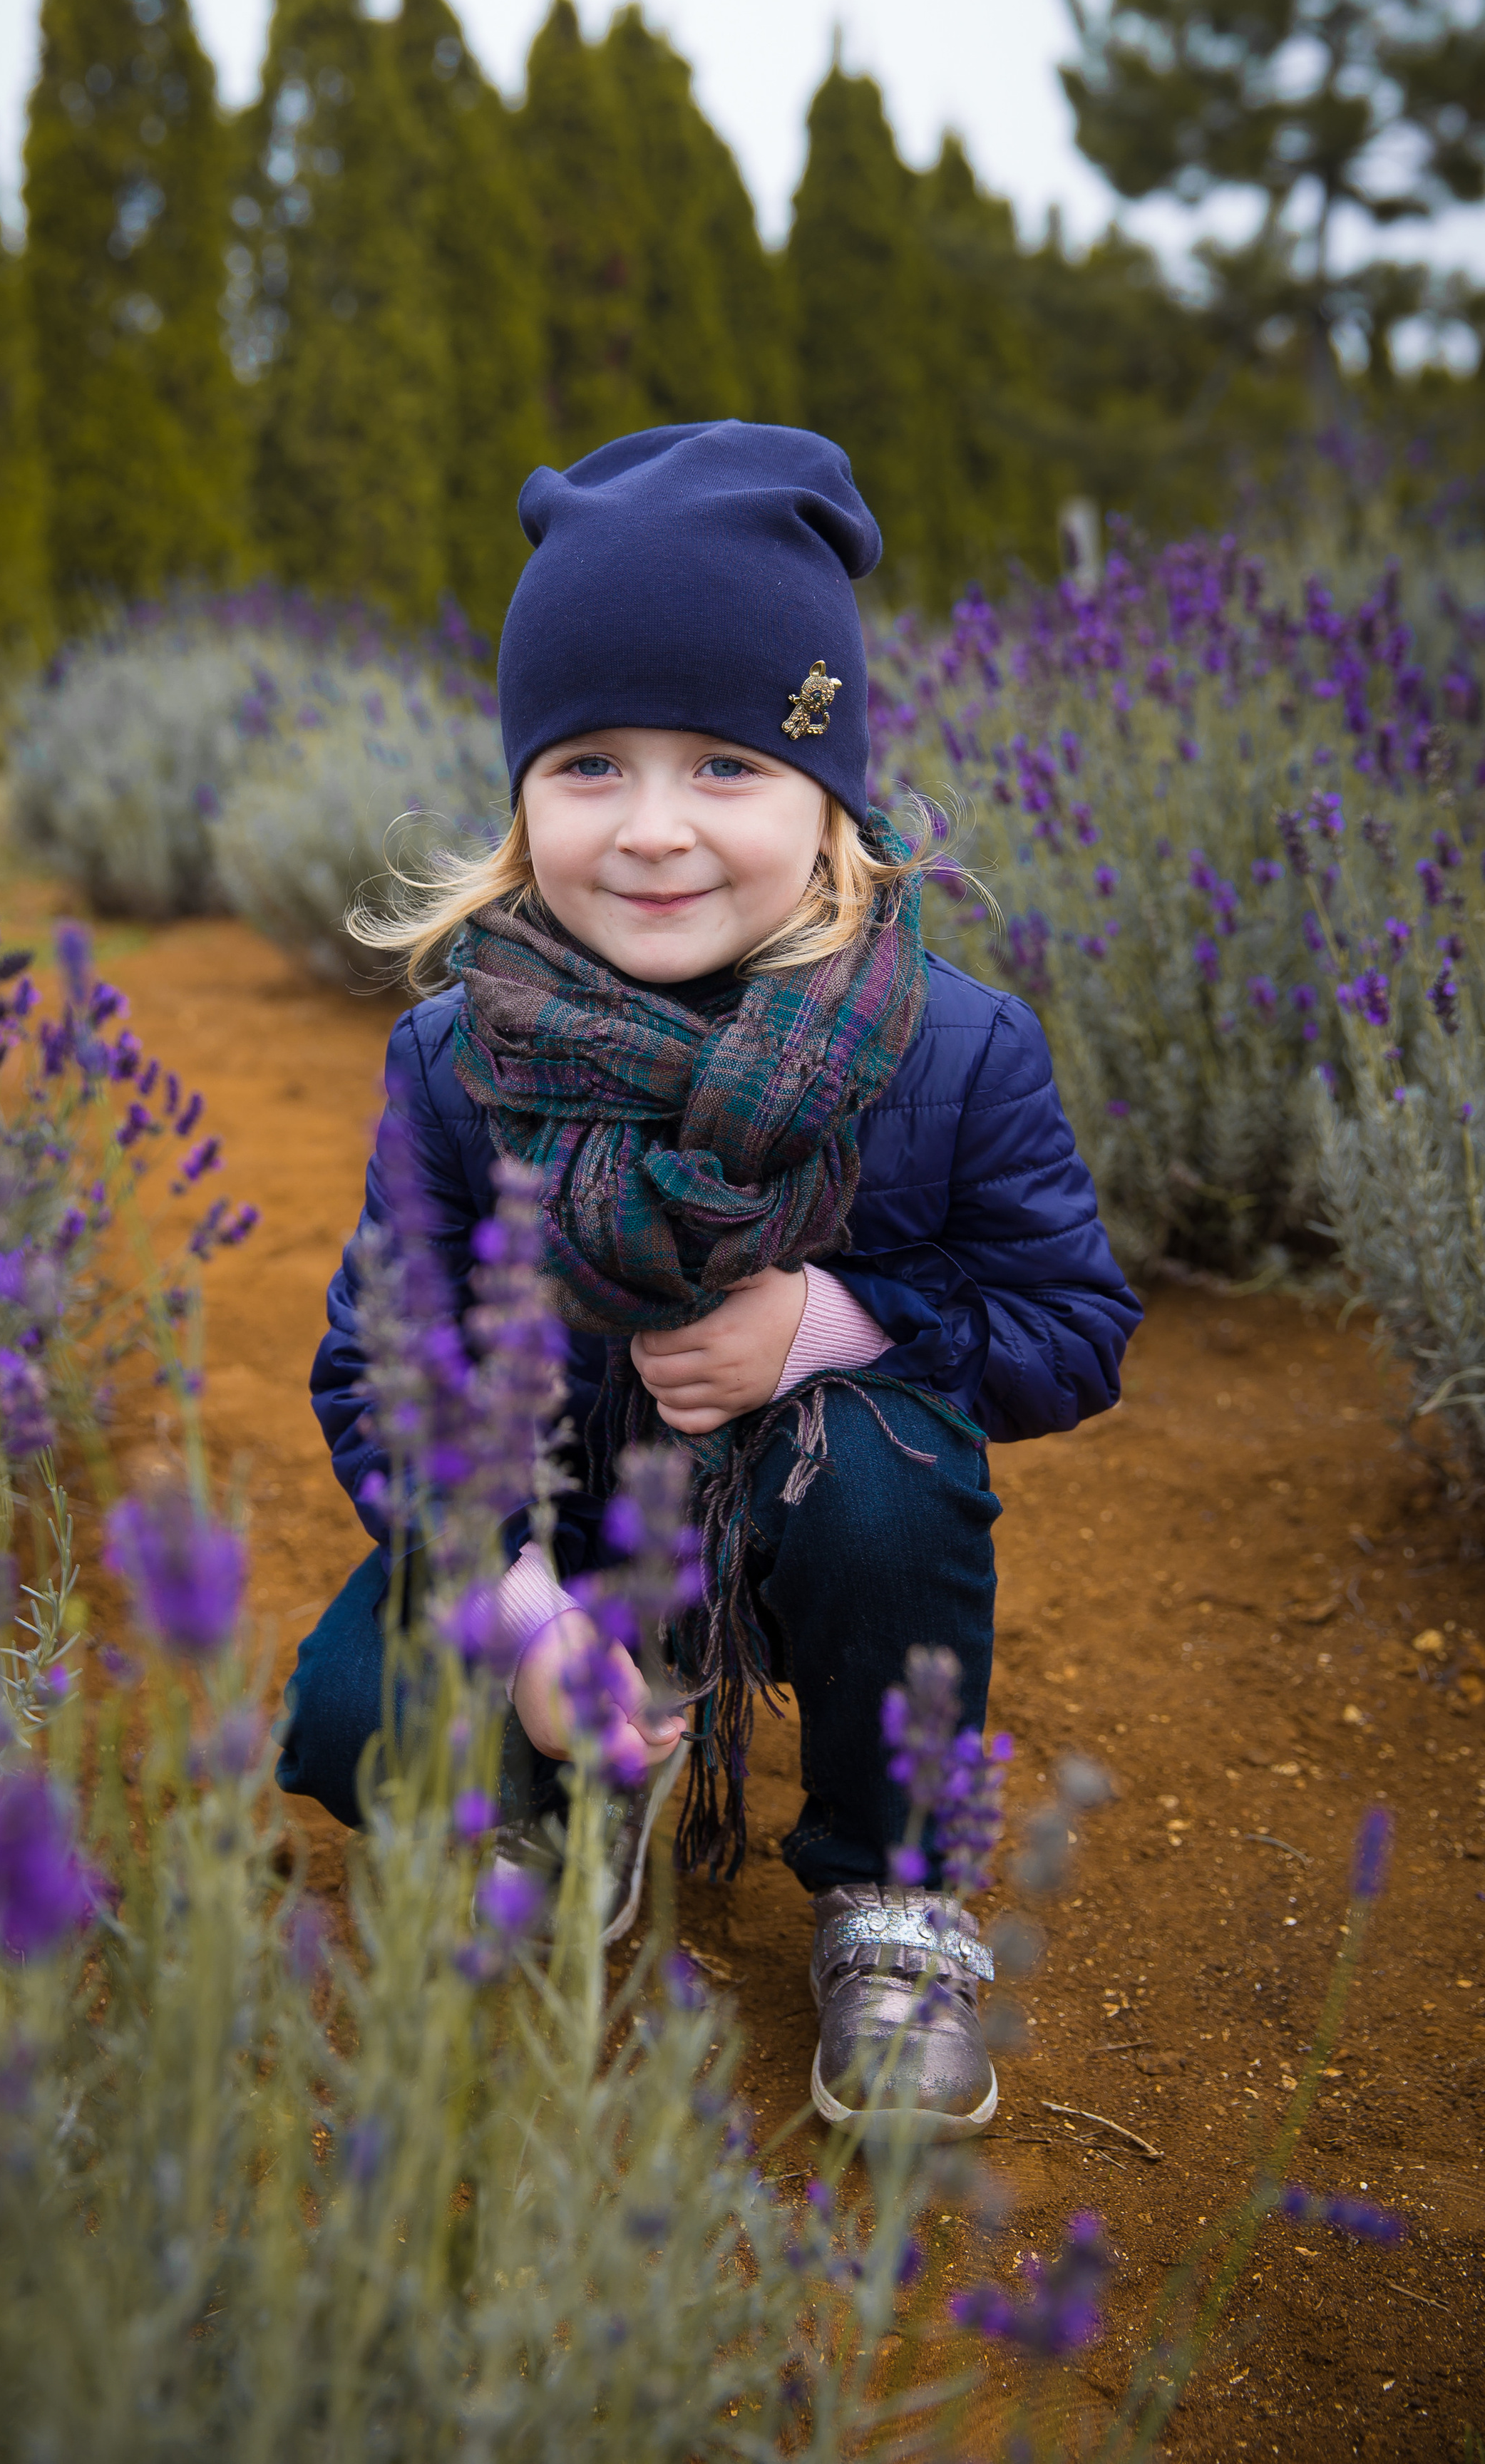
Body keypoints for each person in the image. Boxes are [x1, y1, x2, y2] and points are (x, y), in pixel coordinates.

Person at [279, 421, 1139, 2138]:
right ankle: (559, 1794)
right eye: (587, 763)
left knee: (889, 1478)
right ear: (518, 800)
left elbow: (1072, 1329)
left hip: (807, 1519)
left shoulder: (951, 1051)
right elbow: (389, 1370)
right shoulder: (456, 1061)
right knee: (357, 1704)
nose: (654, 830)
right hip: (566, 1522)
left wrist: (823, 1324)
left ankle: (889, 1894)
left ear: (829, 797)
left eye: (727, 766)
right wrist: (519, 1610)